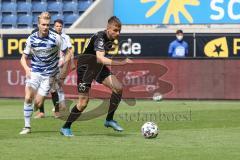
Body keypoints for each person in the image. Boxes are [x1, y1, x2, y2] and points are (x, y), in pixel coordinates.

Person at [60, 16, 133, 137]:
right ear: (108, 28)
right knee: (83, 103)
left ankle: (109, 120)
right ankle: (66, 127)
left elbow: (99, 60)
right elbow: (100, 58)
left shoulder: (111, 39)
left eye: (119, 30)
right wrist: (122, 63)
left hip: (97, 67)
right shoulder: (100, 37)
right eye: (115, 30)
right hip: (85, 67)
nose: (118, 33)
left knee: (118, 88)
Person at [19, 12, 68, 134]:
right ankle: (27, 127)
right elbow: (23, 58)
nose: (46, 27)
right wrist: (26, 69)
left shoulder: (56, 38)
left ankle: (33, 109)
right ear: (38, 24)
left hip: (49, 75)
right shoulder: (32, 38)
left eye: (47, 24)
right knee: (28, 97)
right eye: (43, 24)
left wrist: (62, 62)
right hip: (34, 72)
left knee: (38, 103)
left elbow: (68, 53)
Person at [34, 19, 75, 119]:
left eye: (60, 26)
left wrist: (70, 63)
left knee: (54, 88)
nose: (58, 28)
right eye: (56, 26)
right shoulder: (48, 36)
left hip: (57, 64)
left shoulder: (64, 37)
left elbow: (69, 51)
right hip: (45, 65)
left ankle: (58, 109)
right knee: (46, 88)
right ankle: (43, 111)